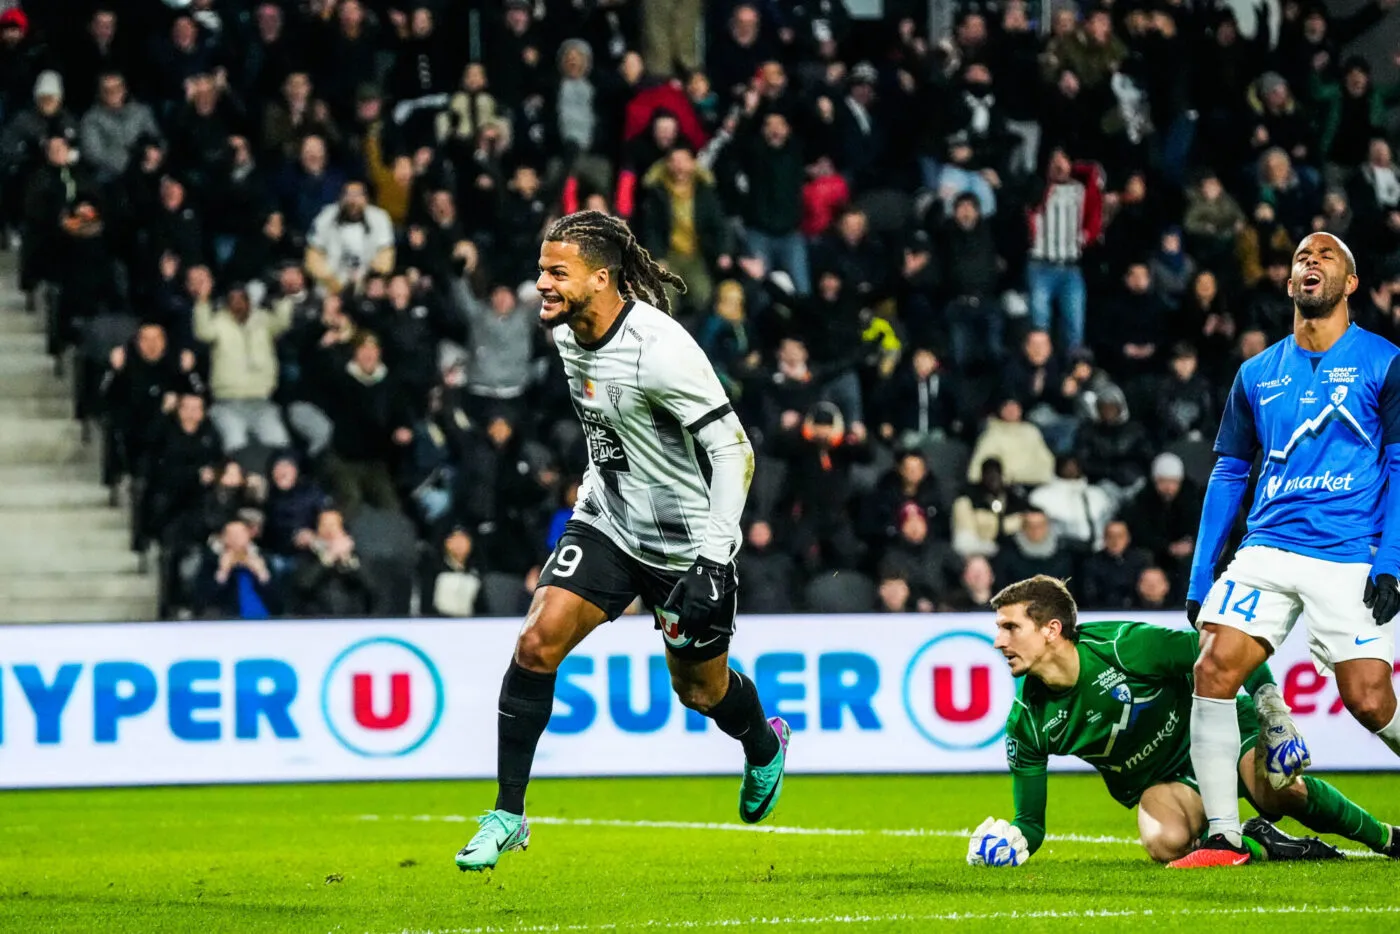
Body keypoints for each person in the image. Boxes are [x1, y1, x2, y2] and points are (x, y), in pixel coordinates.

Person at [455, 210, 789, 871]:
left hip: (687, 546)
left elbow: (732, 448)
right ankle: (508, 814)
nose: (541, 284)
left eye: (557, 272)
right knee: (535, 642)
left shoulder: (659, 350)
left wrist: (715, 560)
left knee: (701, 693)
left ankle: (763, 744)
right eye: (541, 268)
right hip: (607, 521)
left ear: (601, 278)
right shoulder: (566, 331)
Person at [1180, 232, 1400, 867]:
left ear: (1351, 284)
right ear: (1289, 282)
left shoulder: (1384, 363)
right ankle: (1223, 836)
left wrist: (1390, 562)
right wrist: (1201, 575)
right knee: (1212, 670)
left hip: (1349, 549)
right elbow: (1227, 475)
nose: (1312, 262)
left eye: (1327, 255)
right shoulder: (1256, 374)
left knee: (1368, 699)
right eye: (1303, 256)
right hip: (1268, 546)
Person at [966, 576, 1398, 868]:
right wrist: (1013, 840)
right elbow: (1032, 823)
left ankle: (1386, 838)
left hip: (1219, 733)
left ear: (1051, 629)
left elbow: (1225, 654)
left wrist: (1271, 709)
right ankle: (1263, 844)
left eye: (1009, 627)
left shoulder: (1124, 647)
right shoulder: (1027, 722)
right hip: (1161, 781)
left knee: (1281, 789)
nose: (997, 640)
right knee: (1163, 842)